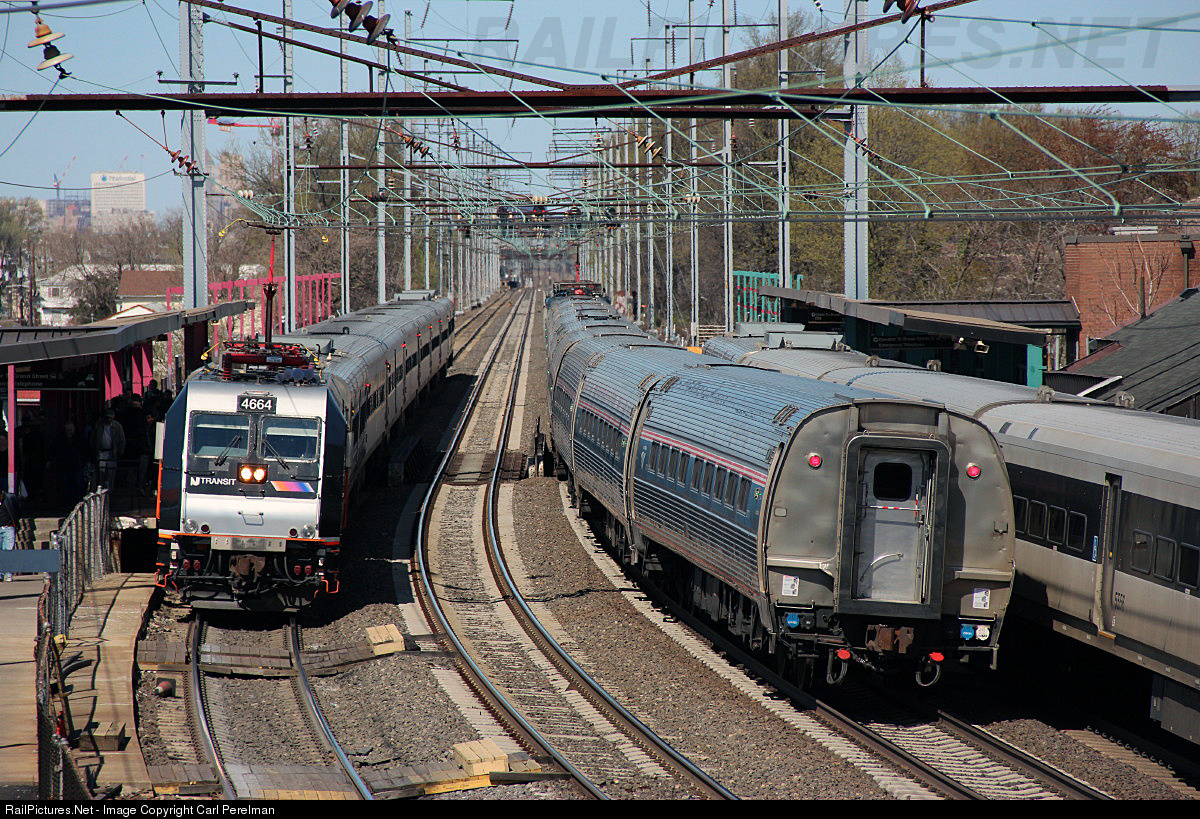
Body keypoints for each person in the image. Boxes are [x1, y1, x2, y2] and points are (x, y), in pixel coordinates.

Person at [93, 409, 126, 490]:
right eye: (107, 417)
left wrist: (120, 451)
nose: (109, 419)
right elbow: (93, 438)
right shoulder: (99, 425)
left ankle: (109, 491)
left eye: (110, 418)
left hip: (112, 452)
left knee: (111, 474)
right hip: (101, 452)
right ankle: (100, 490)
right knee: (101, 473)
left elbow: (122, 440)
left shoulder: (117, 426)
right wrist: (94, 450)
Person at [0, 487, 19, 581]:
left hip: (9, 527)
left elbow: (17, 511)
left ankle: (8, 573)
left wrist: (15, 523)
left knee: (8, 551)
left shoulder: (10, 498)